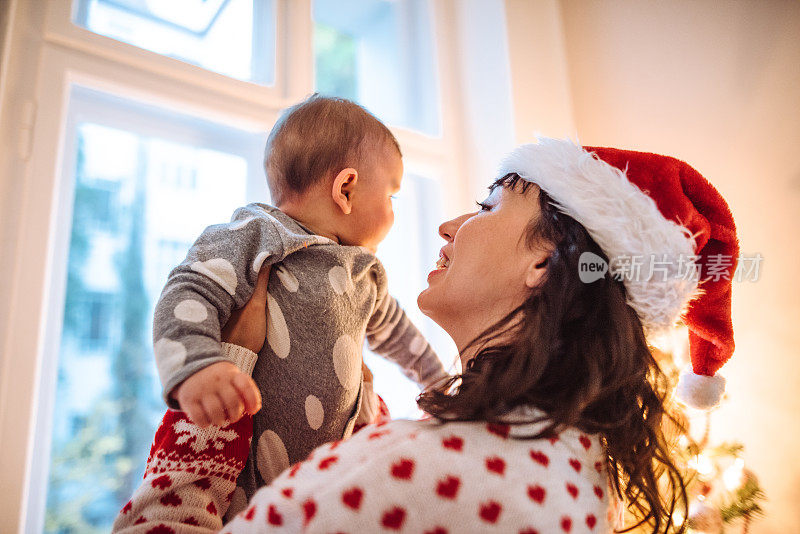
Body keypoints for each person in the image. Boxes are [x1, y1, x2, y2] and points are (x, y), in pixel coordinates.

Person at [123, 138, 740, 533]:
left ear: (547, 264)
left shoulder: (419, 468)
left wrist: (211, 415)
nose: (449, 225)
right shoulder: (583, 475)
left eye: (490, 206)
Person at [112, 95, 448, 532]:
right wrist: (198, 366)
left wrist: (438, 383)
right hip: (244, 475)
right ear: (346, 189)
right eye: (391, 195)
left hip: (326, 485)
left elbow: (399, 334)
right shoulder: (253, 235)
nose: (393, 212)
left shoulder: (366, 272)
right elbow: (189, 291)